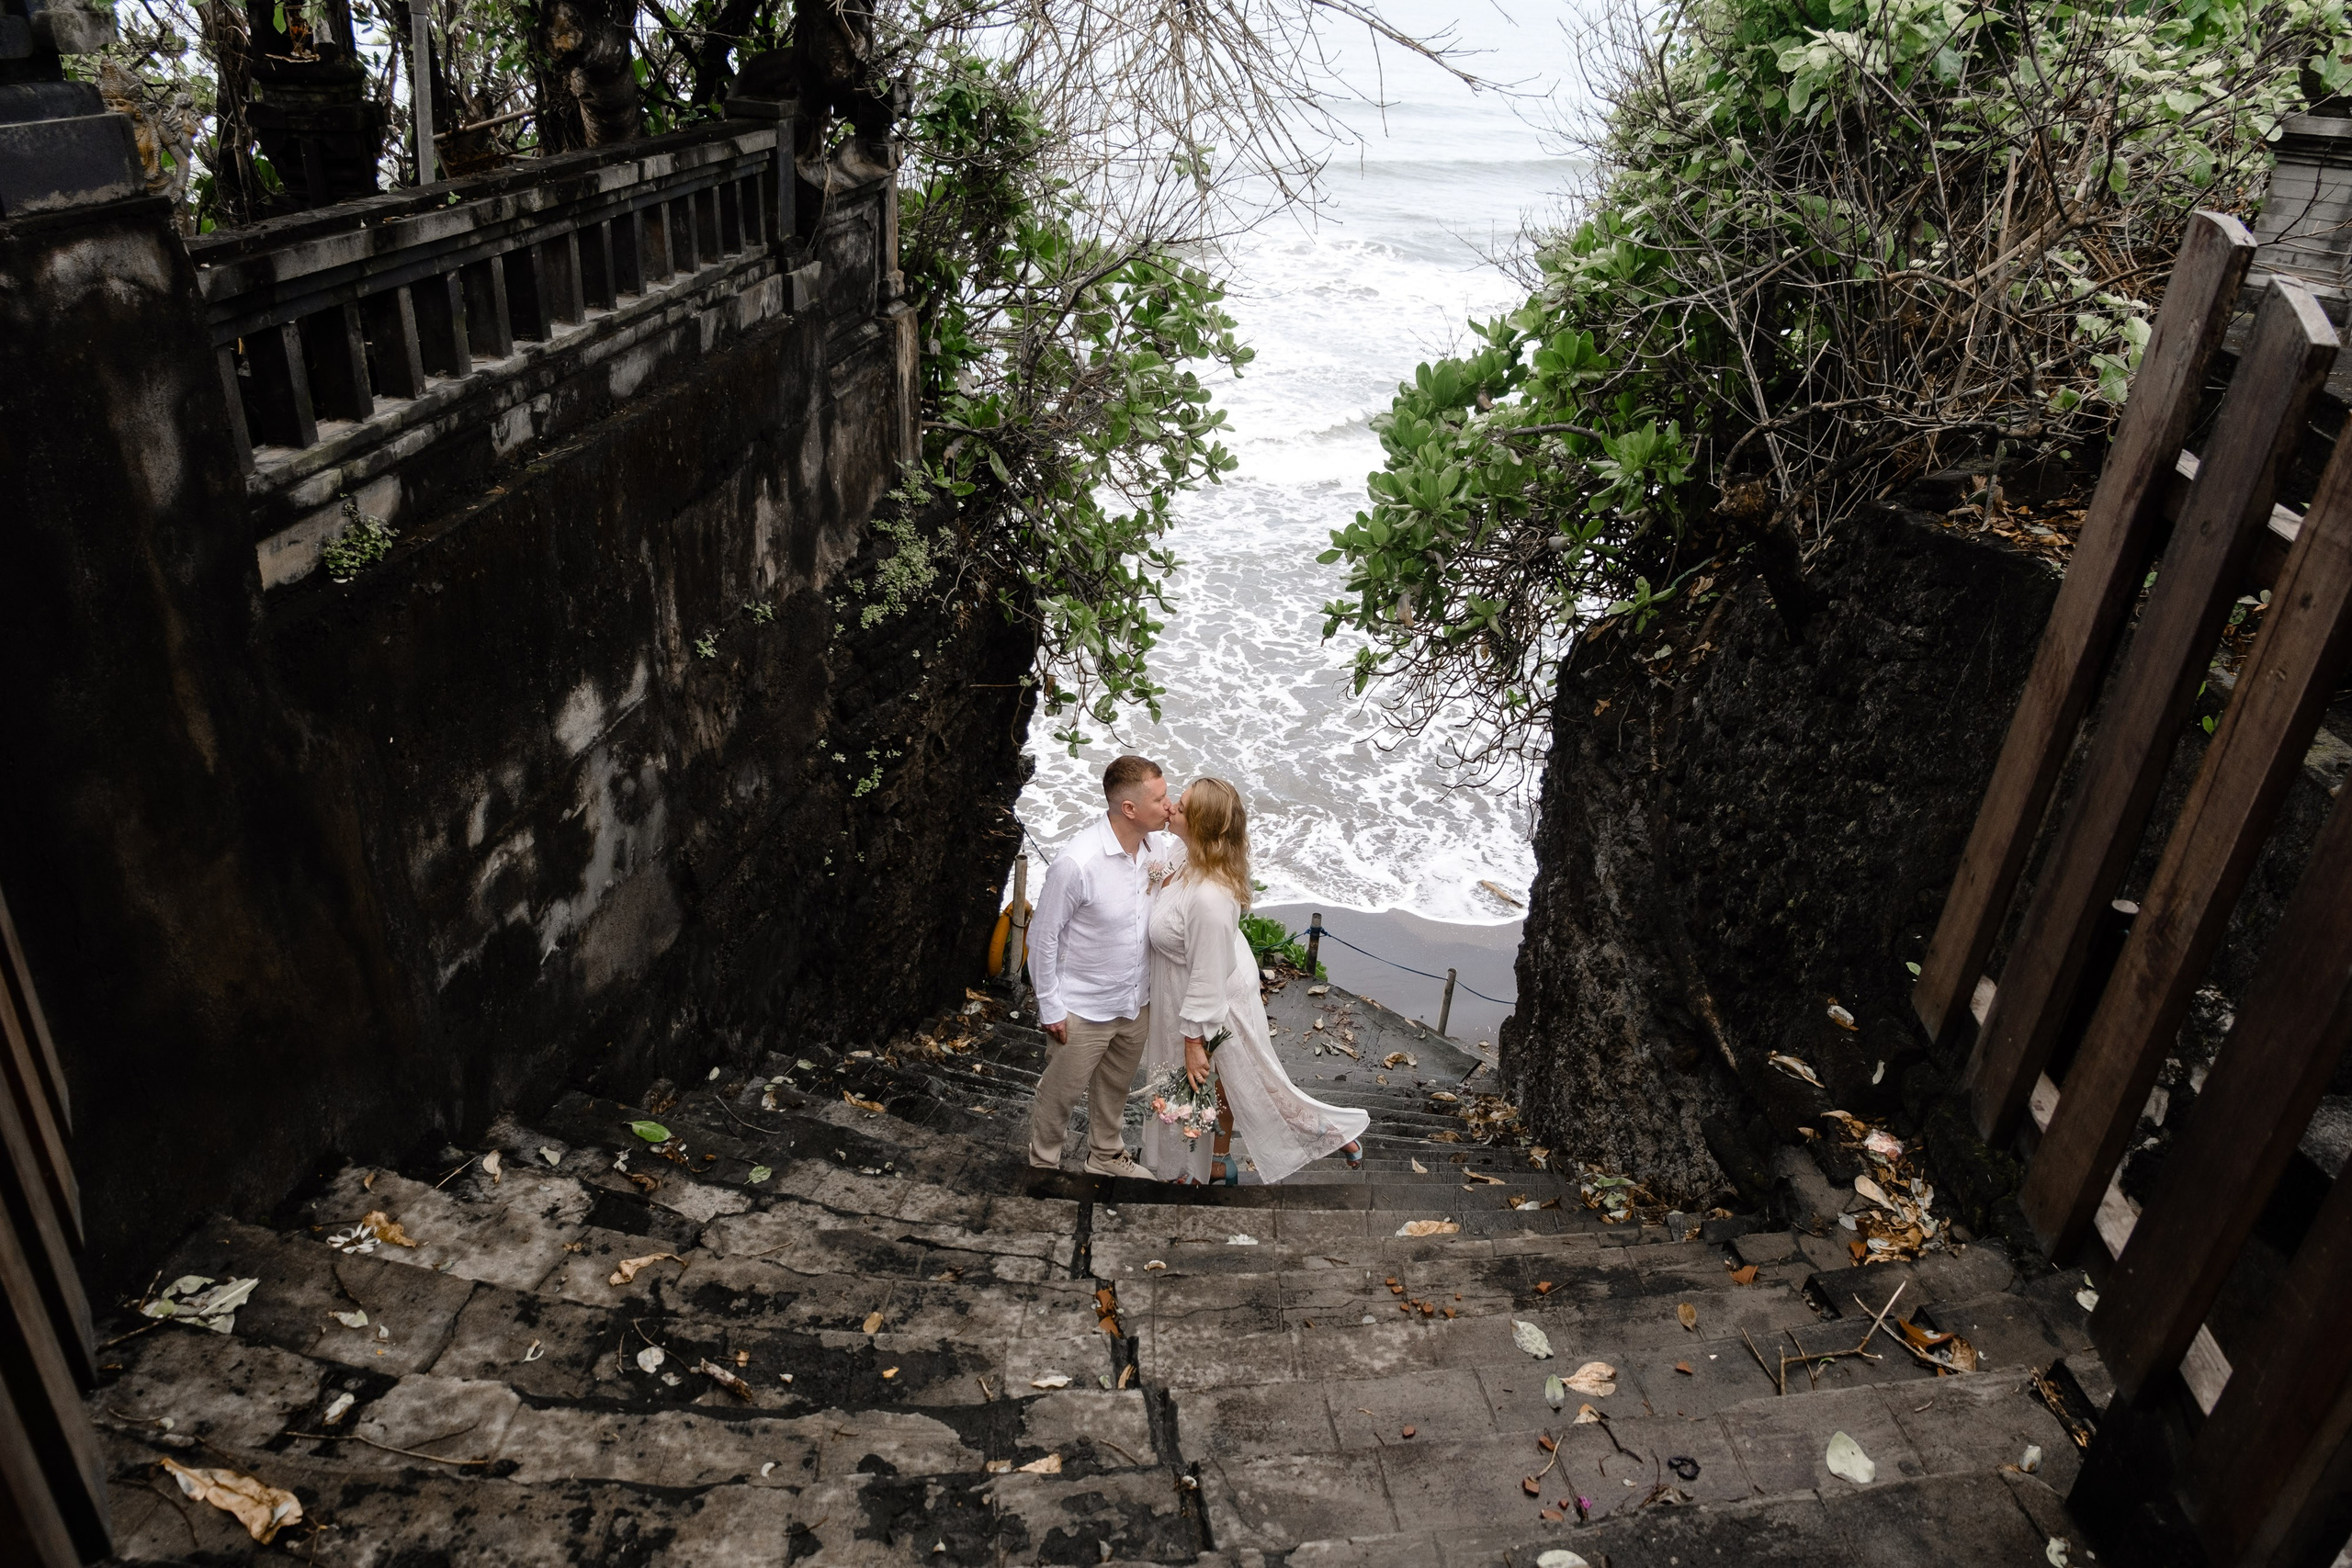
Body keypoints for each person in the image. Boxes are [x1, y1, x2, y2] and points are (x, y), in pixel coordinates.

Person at [1140, 777, 1368, 1184]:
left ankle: (1326, 1133)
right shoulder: (1184, 852)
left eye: (1183, 806)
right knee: (1241, 1076)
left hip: (1212, 992)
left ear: (1203, 827)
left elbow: (1209, 974)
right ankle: (1210, 1161)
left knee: (1248, 1077)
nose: (1172, 806)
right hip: (1199, 978)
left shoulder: (1211, 897)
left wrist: (1194, 1039)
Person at [1024, 754, 1180, 1179]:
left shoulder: (1157, 846)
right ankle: (1044, 1164)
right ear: (1129, 808)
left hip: (1136, 1000)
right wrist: (1051, 1006)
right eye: (1161, 798)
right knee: (1060, 1093)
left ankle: (1105, 1156)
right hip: (1082, 1005)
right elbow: (1041, 937)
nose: (1170, 805)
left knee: (1115, 1088)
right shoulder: (1077, 863)